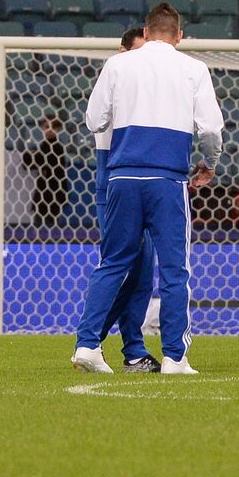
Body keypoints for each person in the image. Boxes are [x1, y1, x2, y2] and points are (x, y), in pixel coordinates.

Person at [72, 2, 224, 375]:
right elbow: (209, 130)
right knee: (174, 269)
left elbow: (94, 120)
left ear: (147, 29)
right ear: (179, 35)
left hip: (121, 177)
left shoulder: (118, 64)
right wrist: (209, 163)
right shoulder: (193, 69)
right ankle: (175, 356)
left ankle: (88, 345)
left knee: (113, 263)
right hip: (166, 180)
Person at [91, 26, 159, 373]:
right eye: (137, 53)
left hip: (138, 180)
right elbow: (94, 122)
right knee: (125, 266)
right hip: (115, 180)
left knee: (142, 273)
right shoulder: (114, 85)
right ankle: (102, 342)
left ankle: (111, 344)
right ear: (122, 53)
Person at [23, 113, 69, 226]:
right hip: (46, 191)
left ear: (58, 129)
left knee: (47, 225)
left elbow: (38, 161)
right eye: (46, 126)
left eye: (52, 127)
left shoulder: (57, 148)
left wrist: (30, 155)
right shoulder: (45, 146)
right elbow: (31, 163)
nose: (49, 130)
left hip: (53, 192)